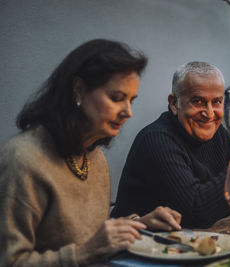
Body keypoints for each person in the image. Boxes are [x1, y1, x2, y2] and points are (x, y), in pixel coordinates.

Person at [0, 39, 182, 267]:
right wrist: (81, 254)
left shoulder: (94, 157)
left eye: (131, 100)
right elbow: (10, 261)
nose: (128, 112)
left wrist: (142, 224)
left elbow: (86, 234)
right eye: (117, 98)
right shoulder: (24, 158)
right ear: (78, 90)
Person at [111, 61, 230, 228]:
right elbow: (197, 212)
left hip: (195, 246)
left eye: (217, 101)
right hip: (137, 248)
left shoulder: (217, 134)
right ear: (174, 103)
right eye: (198, 101)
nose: (210, 113)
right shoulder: (156, 140)